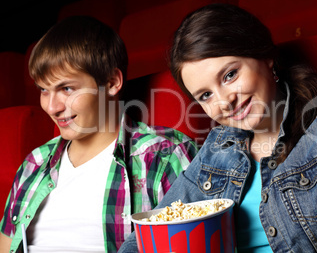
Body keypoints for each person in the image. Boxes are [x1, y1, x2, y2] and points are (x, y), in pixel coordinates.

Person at [119, 3, 317, 252]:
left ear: (266, 57)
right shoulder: (218, 147)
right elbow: (147, 234)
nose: (225, 101)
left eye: (230, 75)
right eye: (205, 95)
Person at [0, 16, 198, 253]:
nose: (52, 107)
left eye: (66, 88)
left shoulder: (163, 155)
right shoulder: (35, 163)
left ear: (112, 82)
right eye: (44, 89)